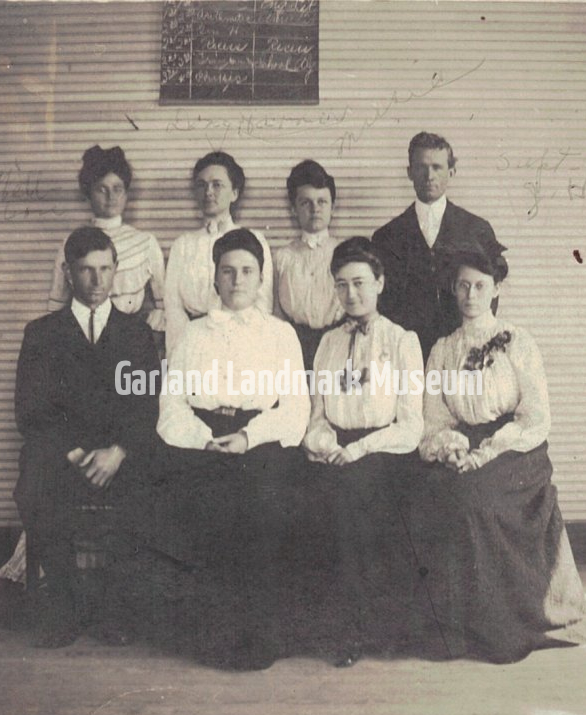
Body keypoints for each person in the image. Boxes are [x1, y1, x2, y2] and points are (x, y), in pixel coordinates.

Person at [414, 246, 586, 663]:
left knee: (474, 499)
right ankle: (454, 628)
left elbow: (535, 416)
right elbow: (435, 416)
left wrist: (485, 453)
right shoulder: (443, 349)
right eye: (462, 286)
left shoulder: (517, 341)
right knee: (433, 494)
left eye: (480, 286)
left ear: (496, 288)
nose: (470, 295)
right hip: (460, 444)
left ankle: (499, 625)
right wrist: (451, 448)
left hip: (516, 447)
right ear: (453, 290)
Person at [157, 228, 309, 669]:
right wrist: (203, 439)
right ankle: (212, 638)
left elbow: (295, 407)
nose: (237, 280)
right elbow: (172, 404)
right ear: (215, 278)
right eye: (228, 271)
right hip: (202, 436)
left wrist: (247, 437)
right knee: (205, 506)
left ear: (261, 278)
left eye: (246, 271)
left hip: (260, 438)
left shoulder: (280, 334)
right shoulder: (193, 335)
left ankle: (260, 637)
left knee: (260, 505)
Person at [14, 226, 162, 648]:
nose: (97, 281)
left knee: (149, 487)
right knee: (35, 485)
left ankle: (114, 607)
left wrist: (118, 451)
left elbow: (146, 405)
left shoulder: (136, 334)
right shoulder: (41, 334)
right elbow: (30, 410)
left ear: (116, 270)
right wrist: (75, 452)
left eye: (105, 269)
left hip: (120, 455)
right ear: (68, 272)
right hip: (63, 454)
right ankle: (65, 603)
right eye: (86, 270)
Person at [303, 237, 425, 667]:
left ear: (380, 283)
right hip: (335, 451)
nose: (351, 294)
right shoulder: (327, 344)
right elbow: (316, 416)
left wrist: (358, 450)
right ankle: (327, 627)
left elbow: (411, 425)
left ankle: (369, 630)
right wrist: (326, 444)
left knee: (352, 502)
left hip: (384, 453)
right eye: (341, 284)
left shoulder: (401, 341)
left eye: (359, 283)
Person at [372, 132, 505, 360]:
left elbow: (489, 296)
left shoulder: (477, 229)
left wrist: (474, 347)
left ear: (451, 171)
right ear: (409, 172)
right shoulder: (385, 237)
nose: (429, 175)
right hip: (405, 355)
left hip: (462, 354)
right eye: (421, 167)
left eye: (437, 167)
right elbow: (381, 302)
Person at [48, 145, 166, 333]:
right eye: (102, 190)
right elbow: (56, 307)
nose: (111, 197)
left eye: (117, 189)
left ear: (126, 194)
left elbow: (164, 304)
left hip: (130, 333)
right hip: (83, 334)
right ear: (88, 194)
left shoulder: (145, 242)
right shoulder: (71, 243)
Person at [164, 151, 273, 353]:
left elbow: (263, 302)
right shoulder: (183, 245)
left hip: (242, 342)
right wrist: (181, 352)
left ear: (234, 193)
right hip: (194, 342)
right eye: (202, 185)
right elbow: (173, 308)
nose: (208, 192)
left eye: (217, 185)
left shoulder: (254, 239)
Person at [272, 160, 345, 369]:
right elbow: (276, 311)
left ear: (332, 207)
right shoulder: (283, 257)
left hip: (338, 343)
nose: (315, 209)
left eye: (322, 202)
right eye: (306, 203)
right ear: (294, 209)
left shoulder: (344, 253)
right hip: (293, 346)